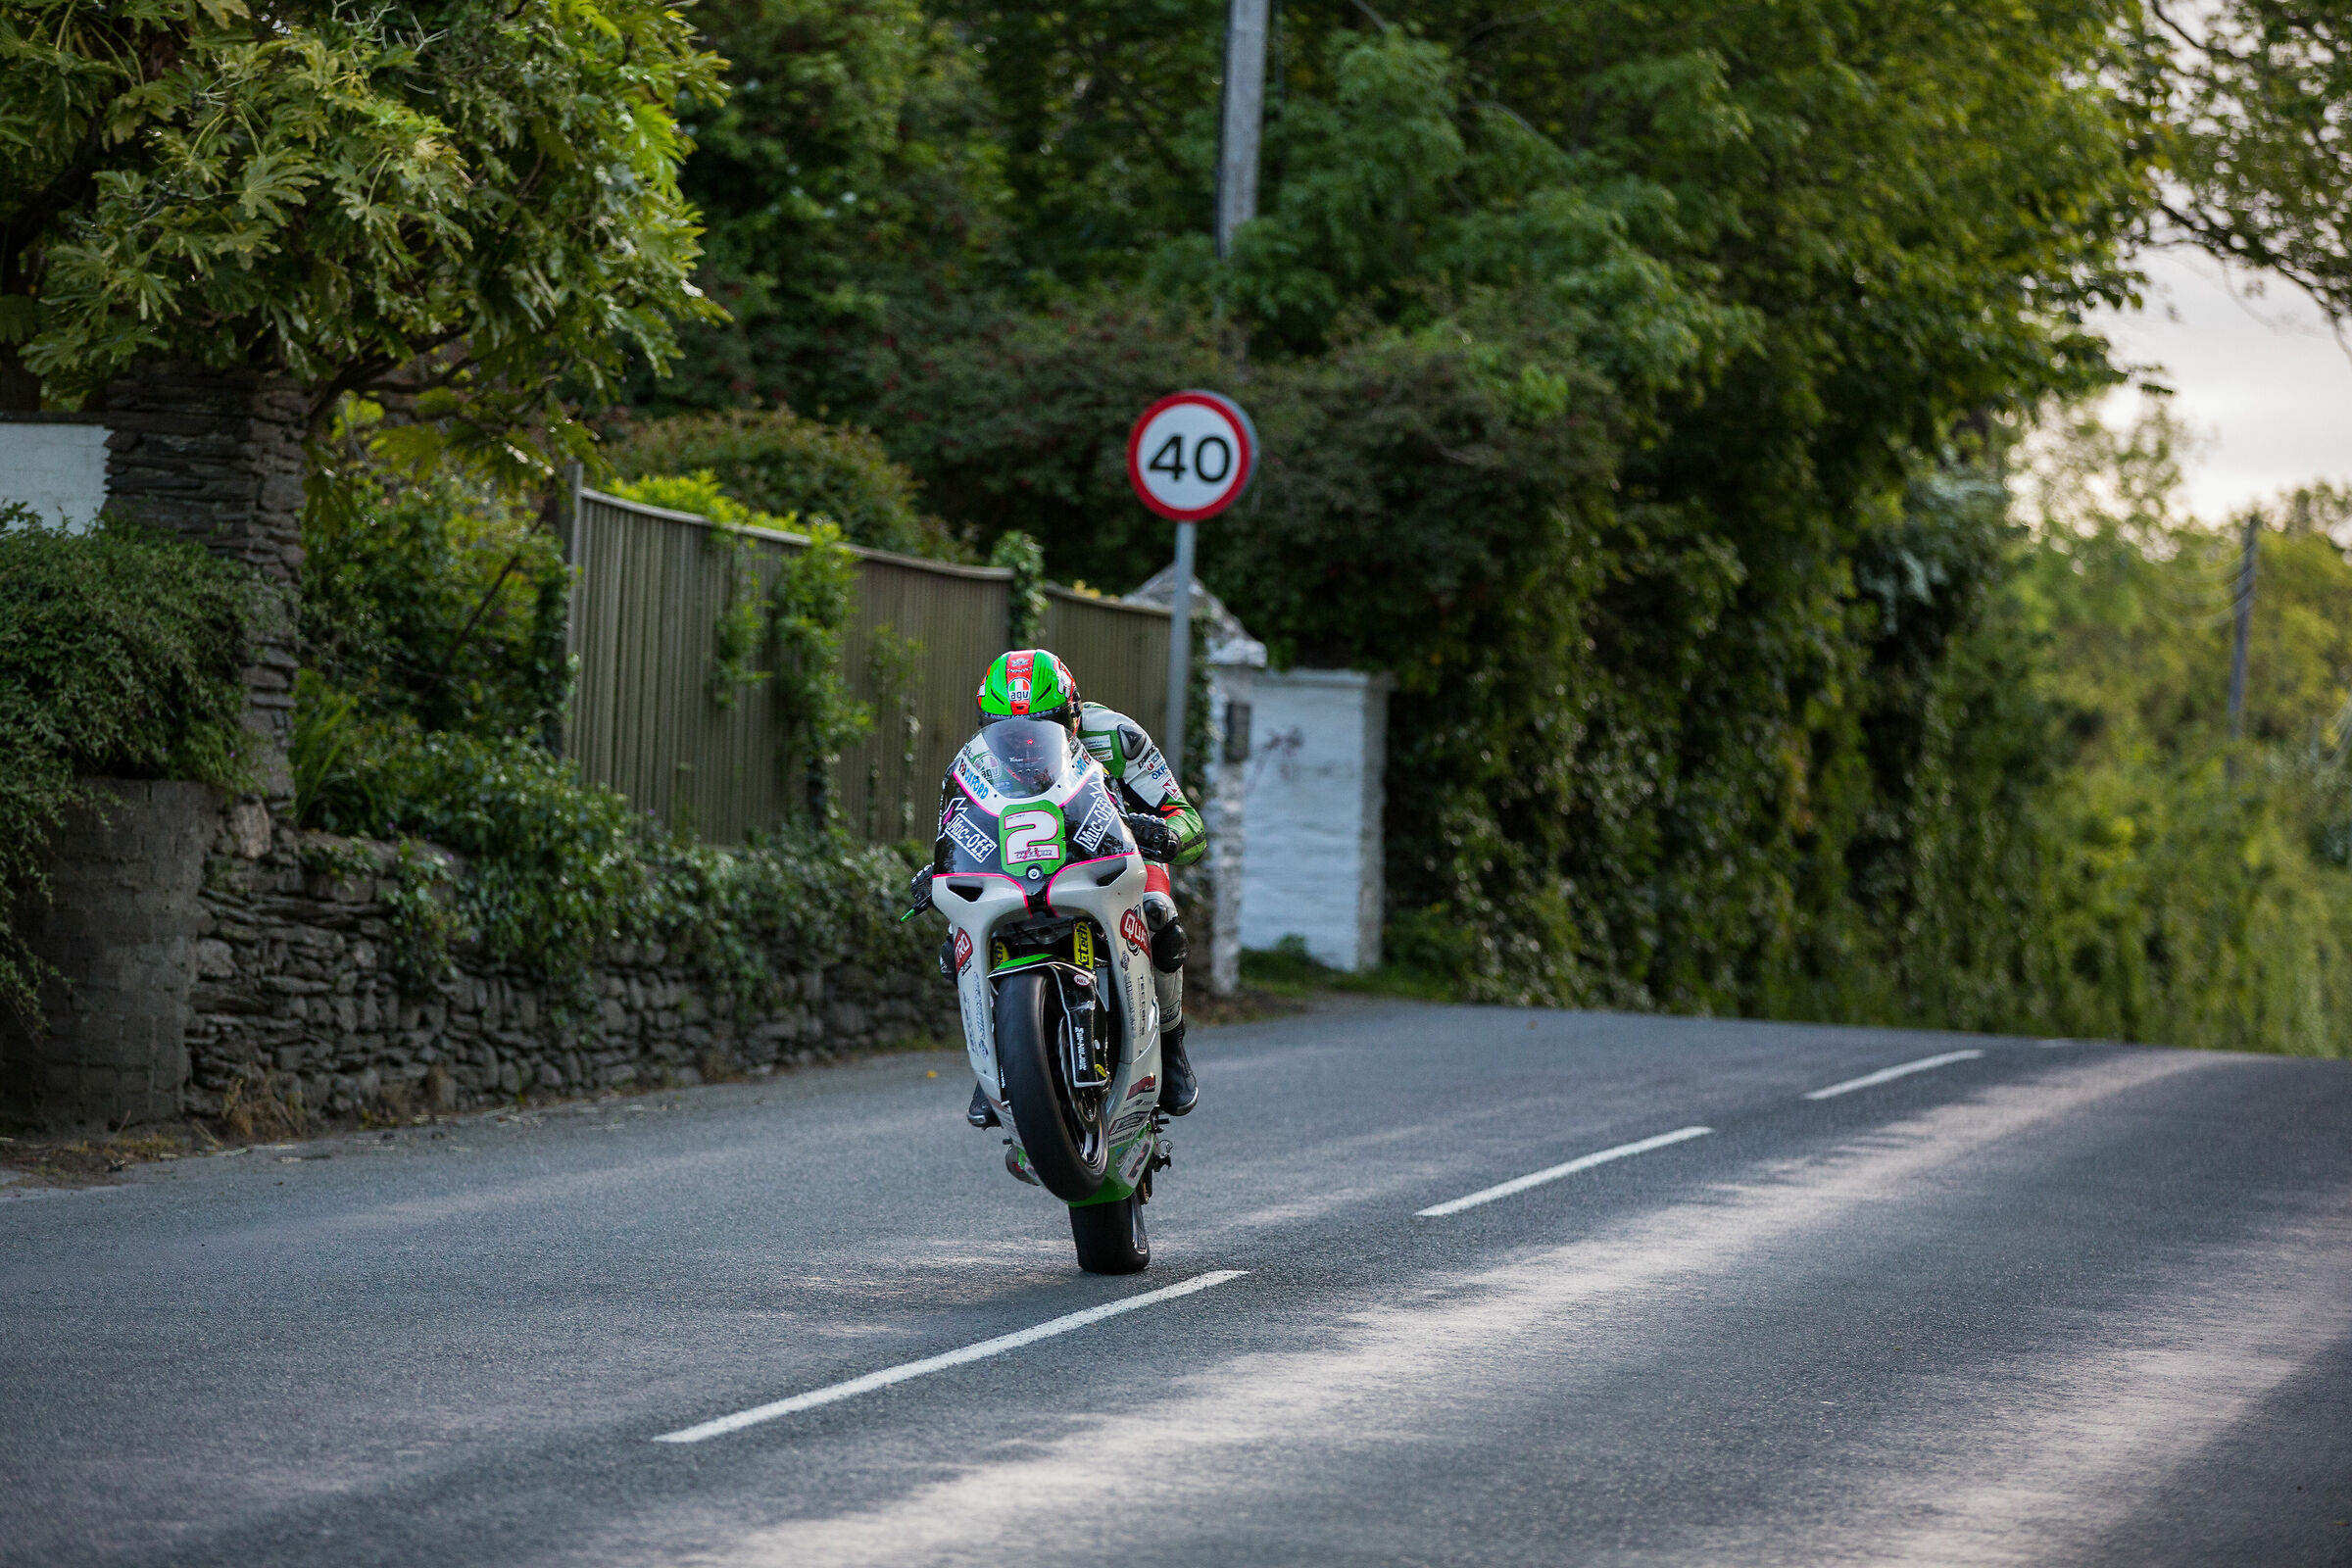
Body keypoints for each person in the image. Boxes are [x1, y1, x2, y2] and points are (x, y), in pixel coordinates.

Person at [942, 648, 1202, 1126]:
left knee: (1158, 913)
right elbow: (960, 826)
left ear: (1074, 713)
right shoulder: (977, 758)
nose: (1024, 747)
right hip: (1025, 864)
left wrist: (1165, 834)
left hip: (1116, 850)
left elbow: (1185, 818)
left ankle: (1171, 1042)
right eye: (1006, 731)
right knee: (956, 939)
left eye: (1043, 725)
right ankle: (1000, 1058)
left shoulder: (1118, 737)